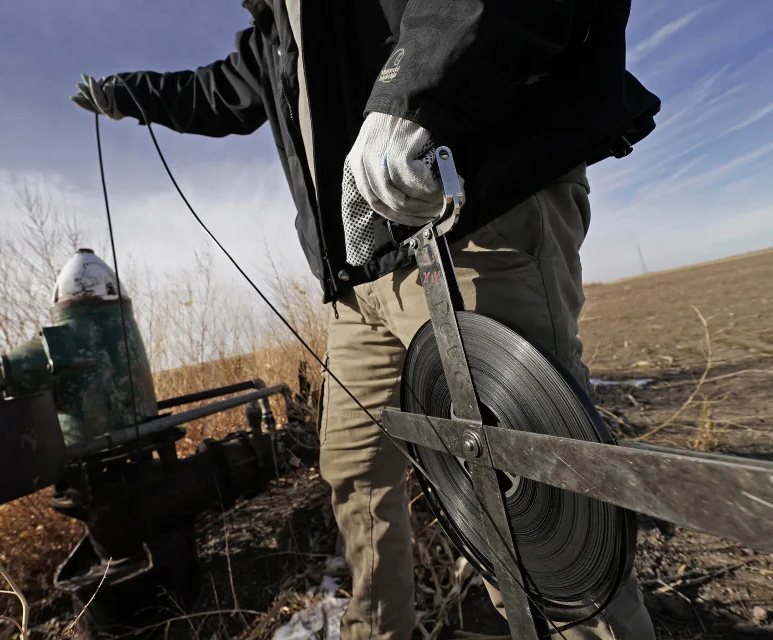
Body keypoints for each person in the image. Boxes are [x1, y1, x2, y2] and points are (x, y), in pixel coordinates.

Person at [72, 2, 661, 638]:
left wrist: (415, 93)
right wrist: (126, 94)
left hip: (468, 218)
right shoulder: (274, 34)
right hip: (358, 284)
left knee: (538, 501)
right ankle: (378, 629)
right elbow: (216, 93)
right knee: (353, 468)